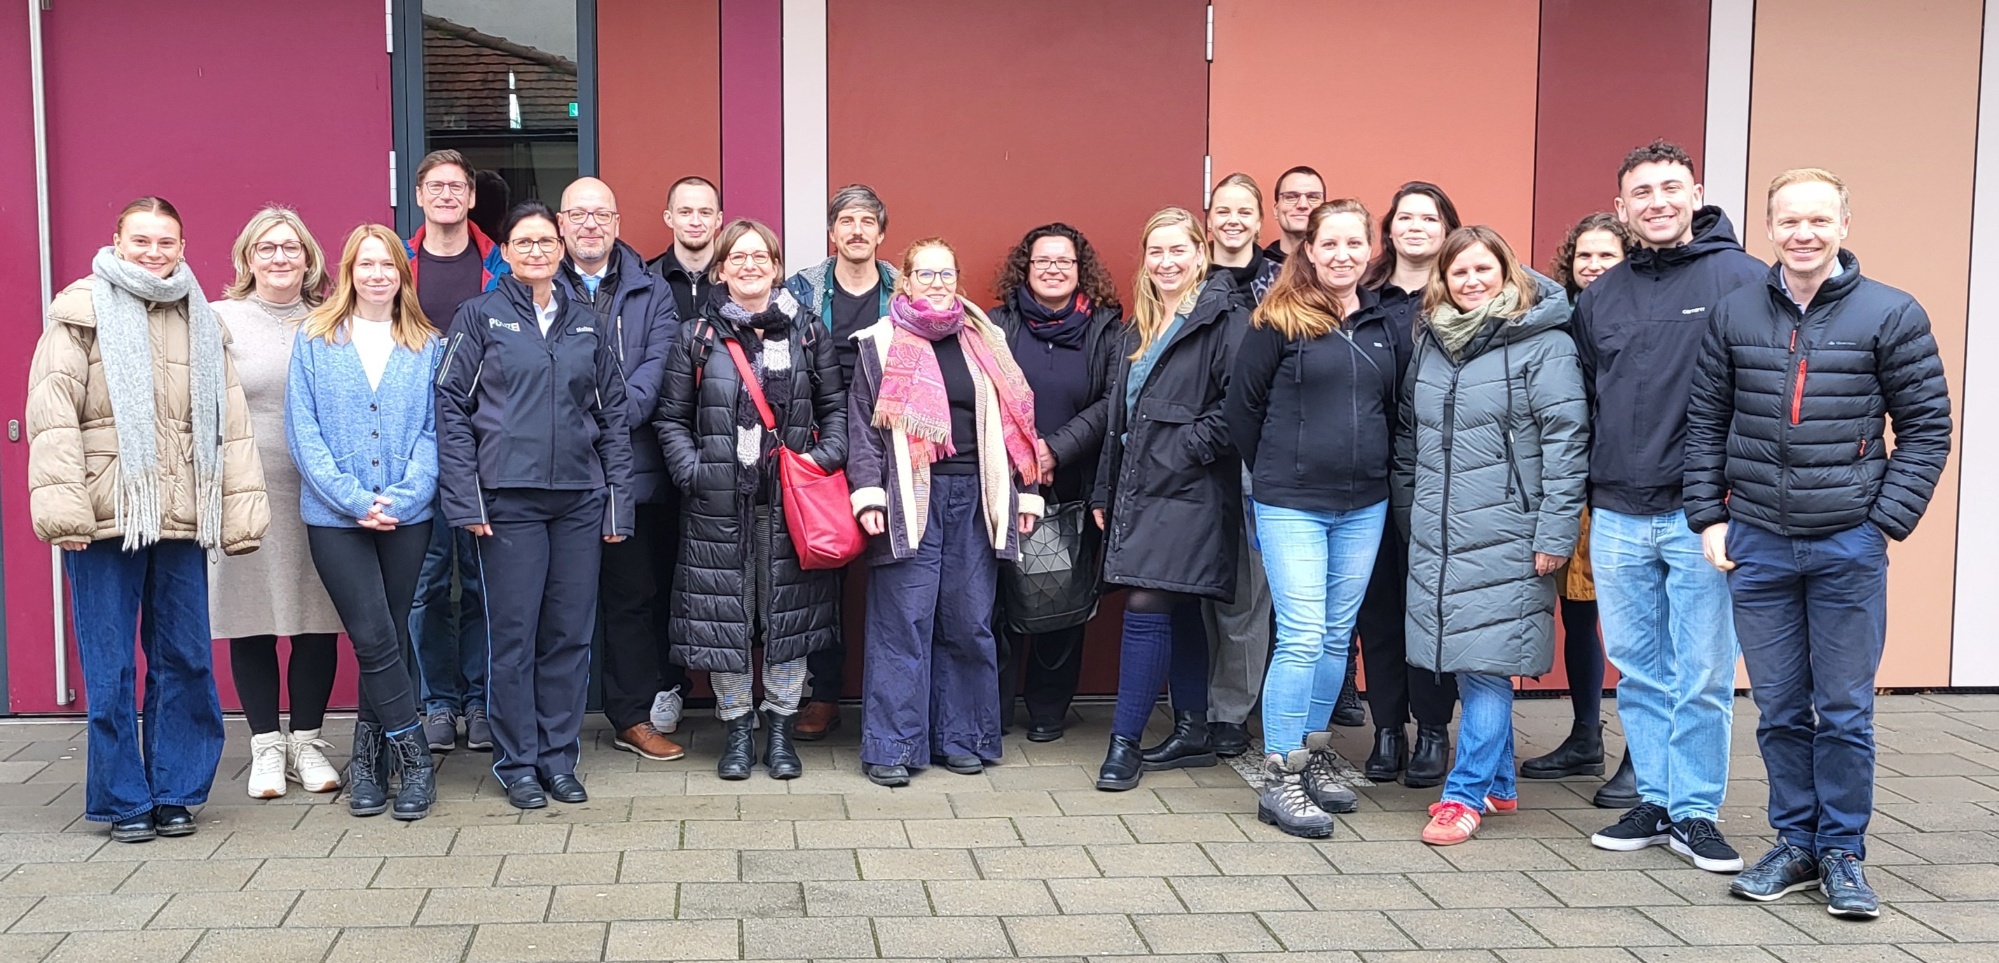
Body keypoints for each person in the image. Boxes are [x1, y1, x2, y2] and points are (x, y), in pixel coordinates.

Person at [1688, 169, 1951, 918]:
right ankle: (1794, 843)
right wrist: (1709, 516)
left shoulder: (1890, 312)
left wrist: (1882, 522)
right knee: (1777, 709)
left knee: (1841, 711)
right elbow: (1705, 421)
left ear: (1843, 223)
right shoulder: (1735, 312)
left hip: (1846, 545)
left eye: (1818, 219)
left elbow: (1927, 428)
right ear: (1769, 226)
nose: (1803, 233)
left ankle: (1841, 852)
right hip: (1758, 543)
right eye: (1789, 220)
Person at [27, 197, 269, 842]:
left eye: (166, 242)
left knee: (185, 657)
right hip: (107, 513)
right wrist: (65, 512)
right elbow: (52, 414)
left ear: (182, 247)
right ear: (118, 241)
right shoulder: (80, 311)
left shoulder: (201, 317)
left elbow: (232, 422)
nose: (154, 252)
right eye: (142, 240)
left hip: (183, 512)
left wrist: (240, 513)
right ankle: (123, 799)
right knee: (110, 665)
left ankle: (176, 791)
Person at [1577, 140, 1765, 868]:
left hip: (1703, 514)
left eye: (1669, 187)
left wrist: (1732, 498)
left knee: (1704, 672)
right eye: (1641, 193)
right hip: (1617, 511)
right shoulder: (1603, 295)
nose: (1656, 202)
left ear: (1695, 194)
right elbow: (1589, 397)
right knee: (1638, 667)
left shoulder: (1742, 280)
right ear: (1621, 208)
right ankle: (1655, 799)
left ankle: (1695, 811)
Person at [435, 200, 634, 810]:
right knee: (515, 636)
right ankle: (517, 762)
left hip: (578, 500)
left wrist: (617, 504)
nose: (537, 251)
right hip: (508, 502)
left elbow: (613, 415)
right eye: (523, 242)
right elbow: (451, 407)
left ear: (562, 248)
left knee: (569, 636)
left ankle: (558, 758)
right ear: (506, 252)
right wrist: (466, 499)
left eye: (547, 241)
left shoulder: (586, 322)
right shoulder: (479, 316)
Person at [1397, 226, 1588, 846]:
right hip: (1441, 530)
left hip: (1511, 531)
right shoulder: (1432, 342)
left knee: (1485, 665)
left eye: (1484, 269)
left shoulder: (1545, 344)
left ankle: (1463, 796)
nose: (1471, 281)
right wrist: (1415, 512)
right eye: (1459, 272)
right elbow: (1413, 436)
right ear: (1442, 280)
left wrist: (1555, 530)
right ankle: (1500, 782)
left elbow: (1566, 444)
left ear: (1508, 273)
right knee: (1467, 658)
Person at [1226, 199, 1399, 837]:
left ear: (1370, 248)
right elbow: (1242, 410)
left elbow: (1392, 408)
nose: (1342, 255)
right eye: (1330, 244)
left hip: (1364, 505)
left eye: (1354, 243)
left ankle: (1312, 753)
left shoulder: (1384, 323)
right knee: (1301, 634)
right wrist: (1279, 470)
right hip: (1292, 504)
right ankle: (1279, 775)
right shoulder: (1277, 319)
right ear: (1309, 249)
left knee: (1334, 636)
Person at [848, 237, 1043, 787]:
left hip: (976, 498)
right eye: (925, 274)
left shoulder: (985, 339)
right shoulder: (880, 343)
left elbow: (1019, 422)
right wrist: (869, 495)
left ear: (958, 279)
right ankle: (892, 746)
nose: (937, 284)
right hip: (911, 497)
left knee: (969, 621)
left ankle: (962, 737)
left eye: (946, 273)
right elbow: (862, 426)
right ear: (906, 281)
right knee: (902, 622)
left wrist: (1026, 491)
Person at [658, 219, 847, 780]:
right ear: (721, 269)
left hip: (792, 507)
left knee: (788, 621)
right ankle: (738, 732)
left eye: (760, 256)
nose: (749, 266)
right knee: (728, 621)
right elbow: (670, 418)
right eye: (737, 257)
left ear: (776, 266)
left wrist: (820, 461)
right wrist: (695, 473)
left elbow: (836, 410)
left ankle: (781, 732)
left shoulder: (807, 330)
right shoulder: (698, 335)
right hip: (718, 507)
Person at [288, 224, 445, 819]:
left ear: (403, 275)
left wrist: (401, 500)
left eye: (388, 265)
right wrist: (356, 501)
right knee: (373, 636)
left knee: (392, 632)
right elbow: (304, 434)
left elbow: (435, 432)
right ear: (348, 272)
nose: (377, 274)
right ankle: (416, 760)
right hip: (335, 518)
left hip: (408, 516)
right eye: (365, 264)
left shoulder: (427, 344)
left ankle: (371, 762)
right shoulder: (315, 339)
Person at [1093, 208, 1244, 793]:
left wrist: (1185, 449)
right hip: (1141, 488)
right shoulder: (1140, 326)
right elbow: (1119, 419)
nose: (1166, 262)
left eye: (1178, 250)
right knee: (1177, 603)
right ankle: (1193, 730)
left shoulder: (1225, 318)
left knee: (1147, 599)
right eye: (1155, 251)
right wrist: (1106, 487)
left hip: (1192, 489)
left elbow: (1239, 406)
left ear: (1200, 254)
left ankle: (1123, 744)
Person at [208, 207, 344, 800]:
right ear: (247, 257)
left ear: (309, 257)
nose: (280, 257)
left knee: (317, 620)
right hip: (245, 488)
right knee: (251, 618)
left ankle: (307, 742)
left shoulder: (330, 320)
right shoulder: (220, 319)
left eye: (291, 247)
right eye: (267, 248)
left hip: (319, 490)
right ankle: (266, 746)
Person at [553, 176, 686, 763]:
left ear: (617, 223)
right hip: (554, 473)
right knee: (555, 603)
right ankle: (549, 726)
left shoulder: (651, 290)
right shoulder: (533, 282)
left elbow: (655, 374)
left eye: (601, 214)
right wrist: (571, 421)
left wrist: (587, 417)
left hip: (629, 475)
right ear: (561, 223)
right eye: (578, 214)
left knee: (632, 597)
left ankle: (631, 718)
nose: (590, 224)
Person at [987, 223, 1122, 742]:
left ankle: (1048, 707)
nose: (1053, 269)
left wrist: (1056, 448)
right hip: (1004, 479)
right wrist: (1023, 453)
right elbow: (983, 395)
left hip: (1072, 481)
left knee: (1060, 592)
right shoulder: (996, 324)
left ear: (1080, 269)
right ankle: (995, 710)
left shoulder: (1107, 328)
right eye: (1042, 260)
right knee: (997, 598)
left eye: (1064, 260)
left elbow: (1112, 402)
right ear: (1025, 267)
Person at [1350, 181, 1464, 787]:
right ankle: (1388, 728)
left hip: (1439, 477)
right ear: (1389, 228)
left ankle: (1433, 729)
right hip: (1368, 472)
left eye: (1430, 218)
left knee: (1431, 607)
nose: (1416, 226)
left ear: (1448, 230)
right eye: (1406, 217)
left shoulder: (1462, 295)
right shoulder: (1362, 294)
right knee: (1379, 607)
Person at [785, 184, 901, 739]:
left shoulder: (904, 289)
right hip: (823, 439)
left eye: (867, 222)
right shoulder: (802, 289)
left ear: (881, 232)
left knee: (896, 570)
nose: (856, 231)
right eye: (846, 221)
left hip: (890, 441)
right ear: (832, 232)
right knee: (822, 574)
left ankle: (893, 697)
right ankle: (824, 694)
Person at [404, 149, 511, 753]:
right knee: (426, 583)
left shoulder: (499, 263)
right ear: (419, 195)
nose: (446, 195)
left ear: (471, 198)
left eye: (456, 187)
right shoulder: (397, 263)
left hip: (484, 442)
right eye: (435, 186)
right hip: (414, 444)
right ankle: (438, 702)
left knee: (481, 581)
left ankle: (481, 700)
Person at [1521, 212, 1631, 788]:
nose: (1593, 266)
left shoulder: (1638, 317)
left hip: (1625, 487)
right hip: (1571, 488)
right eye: (1584, 256)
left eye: (1606, 255)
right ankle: (1586, 736)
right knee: (1578, 614)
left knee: (1635, 626)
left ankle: (1641, 756)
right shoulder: (1560, 319)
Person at [1199, 173, 1279, 757]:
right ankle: (1194, 704)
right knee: (1194, 588)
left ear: (1259, 220)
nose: (1233, 220)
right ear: (1209, 220)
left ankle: (1230, 712)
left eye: (1243, 211)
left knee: (1248, 595)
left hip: (1258, 454)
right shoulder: (1185, 276)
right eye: (1222, 210)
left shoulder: (1284, 283)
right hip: (1194, 455)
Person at [639, 174, 722, 733]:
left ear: (719, 220)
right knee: (658, 574)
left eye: (705, 211)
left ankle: (729, 685)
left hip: (724, 450)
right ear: (668, 218)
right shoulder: (644, 282)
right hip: (658, 449)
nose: (695, 220)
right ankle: (667, 685)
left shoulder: (739, 275)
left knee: (727, 574)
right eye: (685, 211)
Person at [1266, 166, 1326, 263]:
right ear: (1276, 210)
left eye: (1313, 197)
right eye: (1291, 197)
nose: (1302, 205)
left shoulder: (1337, 263)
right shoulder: (1257, 267)